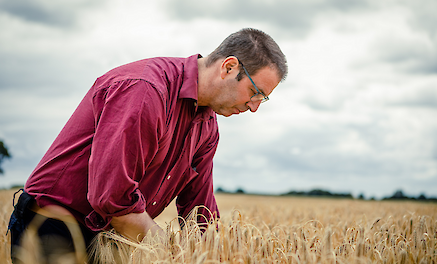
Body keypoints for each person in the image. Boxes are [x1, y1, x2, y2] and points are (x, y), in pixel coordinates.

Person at [8, 28, 288, 262]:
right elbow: (112, 200)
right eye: (254, 92)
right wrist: (173, 253)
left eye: (262, 99)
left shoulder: (207, 125)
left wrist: (216, 254)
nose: (254, 108)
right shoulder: (145, 90)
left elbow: (199, 211)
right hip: (54, 228)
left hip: (112, 237)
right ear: (229, 67)